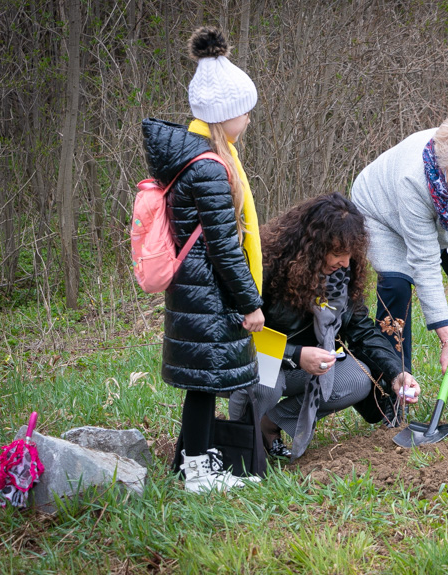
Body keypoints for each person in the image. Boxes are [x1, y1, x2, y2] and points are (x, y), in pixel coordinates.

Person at [141, 27, 265, 493]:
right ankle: (197, 472)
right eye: (244, 111)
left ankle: (188, 461)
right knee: (204, 383)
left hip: (198, 287)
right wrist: (250, 302)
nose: (249, 118)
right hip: (208, 290)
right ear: (225, 114)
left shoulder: (199, 155)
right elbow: (224, 246)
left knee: (204, 379)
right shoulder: (211, 168)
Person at [230, 193, 421, 461]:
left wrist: (396, 372)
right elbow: (236, 334)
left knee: (357, 380)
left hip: (302, 368)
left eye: (350, 254)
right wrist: (296, 353)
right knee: (266, 385)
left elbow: (361, 330)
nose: (345, 262)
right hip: (262, 362)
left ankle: (270, 424)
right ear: (312, 247)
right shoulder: (263, 267)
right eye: (337, 254)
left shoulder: (342, 277)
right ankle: (243, 438)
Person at [351, 114, 448, 408]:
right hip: (384, 215)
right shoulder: (413, 178)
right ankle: (391, 386)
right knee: (396, 289)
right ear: (442, 163)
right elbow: (424, 263)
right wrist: (446, 340)